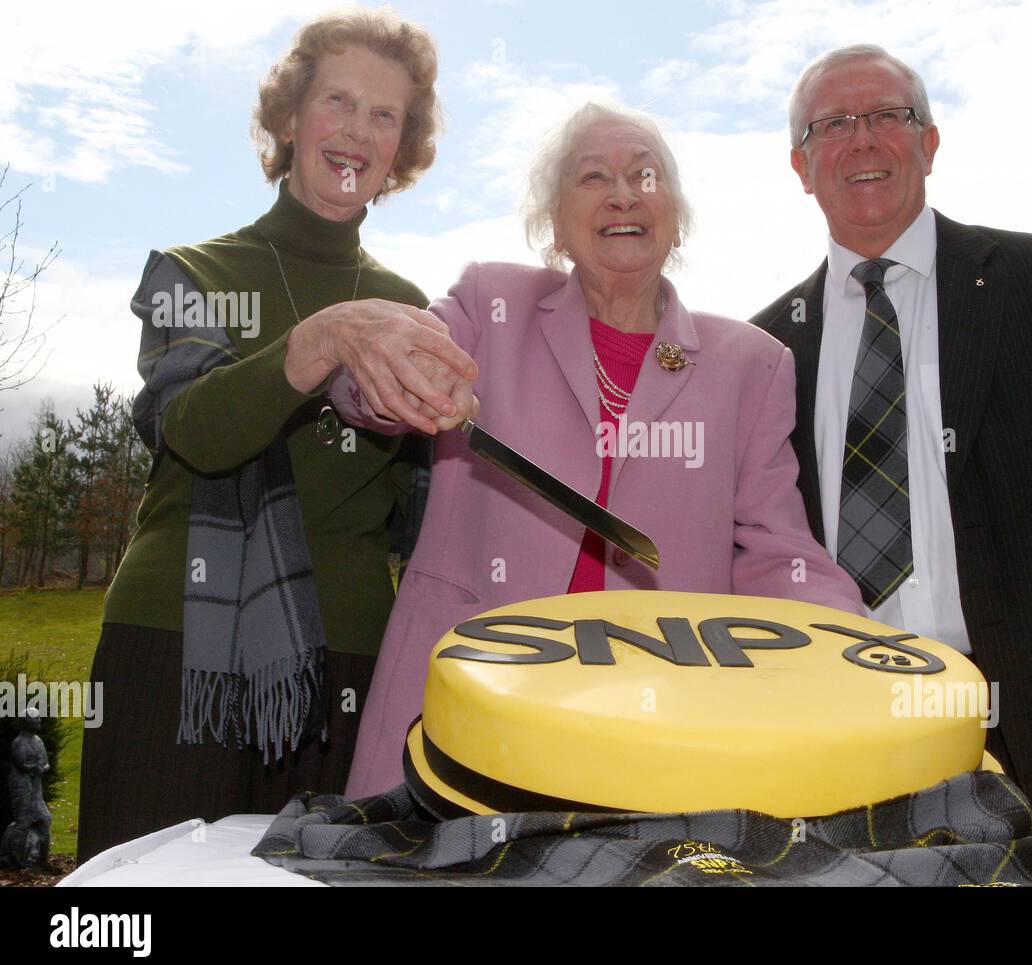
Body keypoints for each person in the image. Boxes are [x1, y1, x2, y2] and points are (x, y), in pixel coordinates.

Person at [336, 103, 865, 796]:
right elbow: (363, 393)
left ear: (675, 216)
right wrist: (388, 367)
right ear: (555, 223)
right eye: (593, 177)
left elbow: (777, 549)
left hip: (651, 722)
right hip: (468, 706)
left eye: (644, 175)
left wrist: (867, 648)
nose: (623, 193)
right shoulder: (490, 304)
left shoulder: (751, 364)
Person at [751, 45, 1032, 818]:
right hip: (845, 721)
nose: (862, 139)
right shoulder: (765, 347)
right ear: (800, 165)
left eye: (888, 116)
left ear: (928, 143)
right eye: (833, 124)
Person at [77, 9, 477, 862]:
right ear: (291, 118)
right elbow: (199, 430)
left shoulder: (415, 309)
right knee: (142, 901)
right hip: (180, 649)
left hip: (351, 661)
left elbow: (433, 500)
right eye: (338, 100)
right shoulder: (195, 273)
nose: (357, 131)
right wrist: (322, 338)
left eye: (385, 115)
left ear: (402, 148)